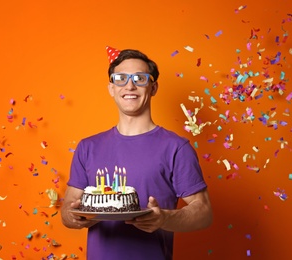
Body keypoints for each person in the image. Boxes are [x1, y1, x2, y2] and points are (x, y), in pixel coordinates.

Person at [61, 46, 212, 260]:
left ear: (153, 87)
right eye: (120, 78)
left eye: (140, 78)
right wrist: (76, 217)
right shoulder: (87, 147)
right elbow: (67, 210)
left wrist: (164, 219)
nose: (129, 85)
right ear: (111, 88)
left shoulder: (176, 147)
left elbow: (204, 213)